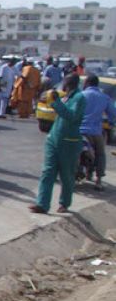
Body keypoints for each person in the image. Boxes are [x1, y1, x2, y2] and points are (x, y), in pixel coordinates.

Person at [30, 74, 86, 214]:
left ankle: (64, 203)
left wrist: (57, 102)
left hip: (69, 142)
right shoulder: (66, 96)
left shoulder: (79, 98)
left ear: (70, 84)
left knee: (66, 174)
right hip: (54, 138)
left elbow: (71, 116)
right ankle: (42, 204)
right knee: (48, 171)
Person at [78, 73, 116, 191]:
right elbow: (113, 114)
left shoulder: (81, 95)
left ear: (87, 83)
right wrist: (110, 123)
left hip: (81, 131)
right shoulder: (104, 97)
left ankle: (78, 174)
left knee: (76, 152)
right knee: (100, 154)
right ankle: (98, 181)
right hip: (96, 131)